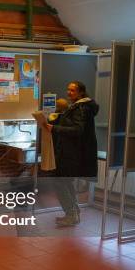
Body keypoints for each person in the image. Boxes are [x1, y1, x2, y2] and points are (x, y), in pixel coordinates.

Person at [41, 81, 99, 226]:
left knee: (60, 181)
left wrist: (54, 129)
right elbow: (72, 125)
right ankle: (73, 212)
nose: (68, 93)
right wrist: (58, 118)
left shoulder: (81, 108)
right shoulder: (77, 107)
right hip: (71, 152)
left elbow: (77, 130)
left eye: (72, 90)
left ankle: (71, 213)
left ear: (81, 93)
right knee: (65, 182)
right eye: (68, 90)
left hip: (72, 154)